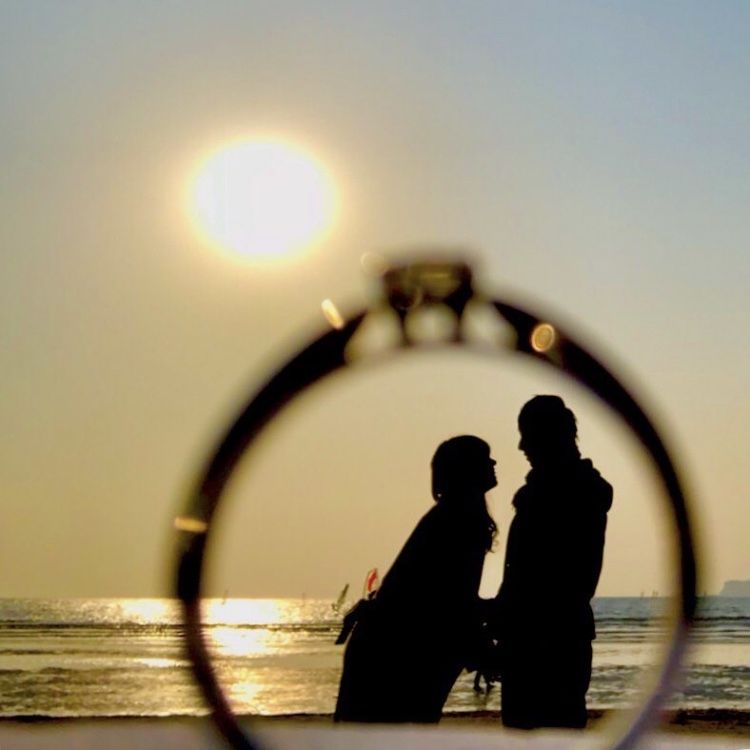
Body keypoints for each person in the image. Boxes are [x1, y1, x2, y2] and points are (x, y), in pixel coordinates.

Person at [334, 435, 498, 723]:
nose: (493, 462)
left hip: (392, 647)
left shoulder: (450, 517)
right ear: (467, 470)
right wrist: (485, 650)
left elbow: (447, 597)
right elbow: (451, 601)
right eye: (484, 458)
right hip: (397, 654)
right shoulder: (459, 520)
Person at [491, 396, 612, 729]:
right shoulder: (564, 492)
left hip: (546, 642)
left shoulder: (565, 495)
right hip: (547, 638)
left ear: (549, 437)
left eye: (527, 435)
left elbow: (537, 580)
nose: (521, 446)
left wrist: (506, 617)